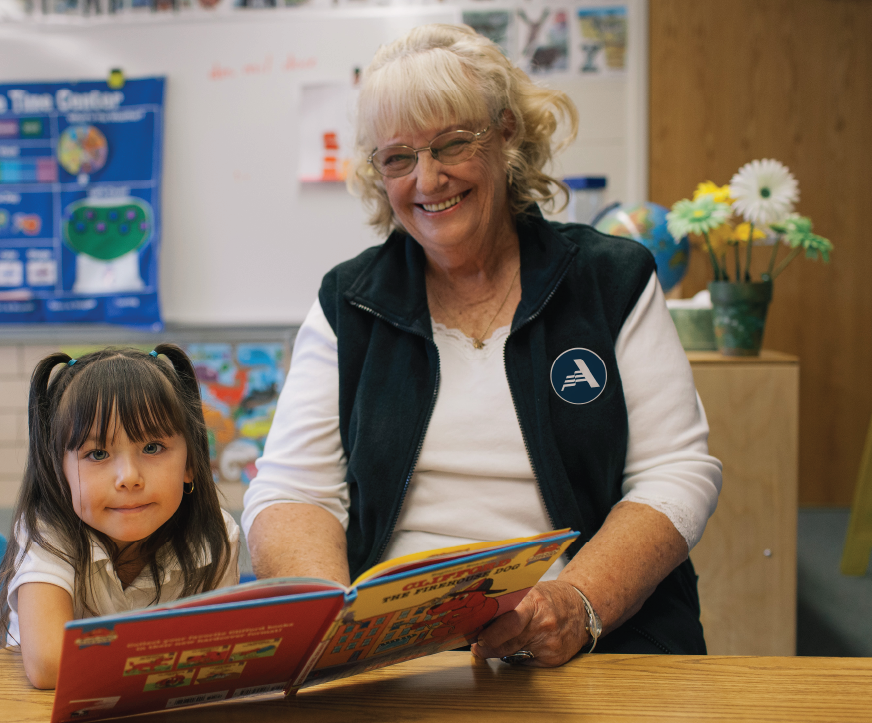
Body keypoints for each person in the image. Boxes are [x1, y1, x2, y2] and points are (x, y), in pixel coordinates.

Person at [242, 24, 722, 667]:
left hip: (590, 635)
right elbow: (291, 493)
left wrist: (575, 603)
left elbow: (676, 473)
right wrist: (338, 630)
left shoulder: (611, 279)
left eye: (452, 144)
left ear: (506, 134)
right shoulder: (348, 303)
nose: (428, 179)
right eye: (398, 158)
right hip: (400, 653)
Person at [0, 345, 240, 688]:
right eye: (98, 453)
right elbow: (49, 664)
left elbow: (220, 661)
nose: (128, 477)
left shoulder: (214, 535)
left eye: (152, 448)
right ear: (58, 472)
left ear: (190, 463)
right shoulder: (47, 534)